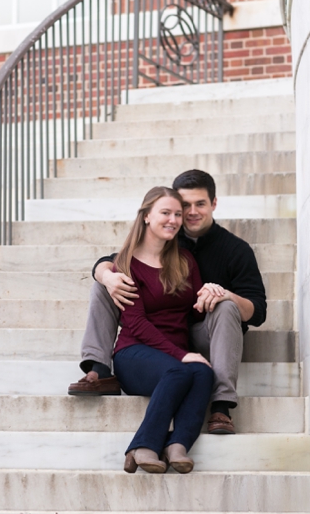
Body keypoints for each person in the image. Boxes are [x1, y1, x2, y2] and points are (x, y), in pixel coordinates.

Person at [68, 170, 267, 435]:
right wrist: (105, 274)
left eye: (200, 204)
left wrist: (226, 294)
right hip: (159, 333)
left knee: (227, 305)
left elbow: (258, 312)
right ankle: (99, 369)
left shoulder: (236, 250)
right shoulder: (169, 232)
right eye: (184, 206)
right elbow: (120, 259)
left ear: (214, 204)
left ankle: (221, 406)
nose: (191, 212)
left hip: (205, 331)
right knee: (107, 284)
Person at [107, 186, 214, 474]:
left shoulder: (184, 261)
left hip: (173, 355)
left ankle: (177, 445)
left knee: (204, 372)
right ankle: (142, 446)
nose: (174, 220)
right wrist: (181, 355)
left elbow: (193, 311)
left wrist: (212, 294)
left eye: (177, 214)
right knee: (181, 370)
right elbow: (137, 323)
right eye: (165, 212)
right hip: (134, 353)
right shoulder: (126, 265)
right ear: (146, 217)